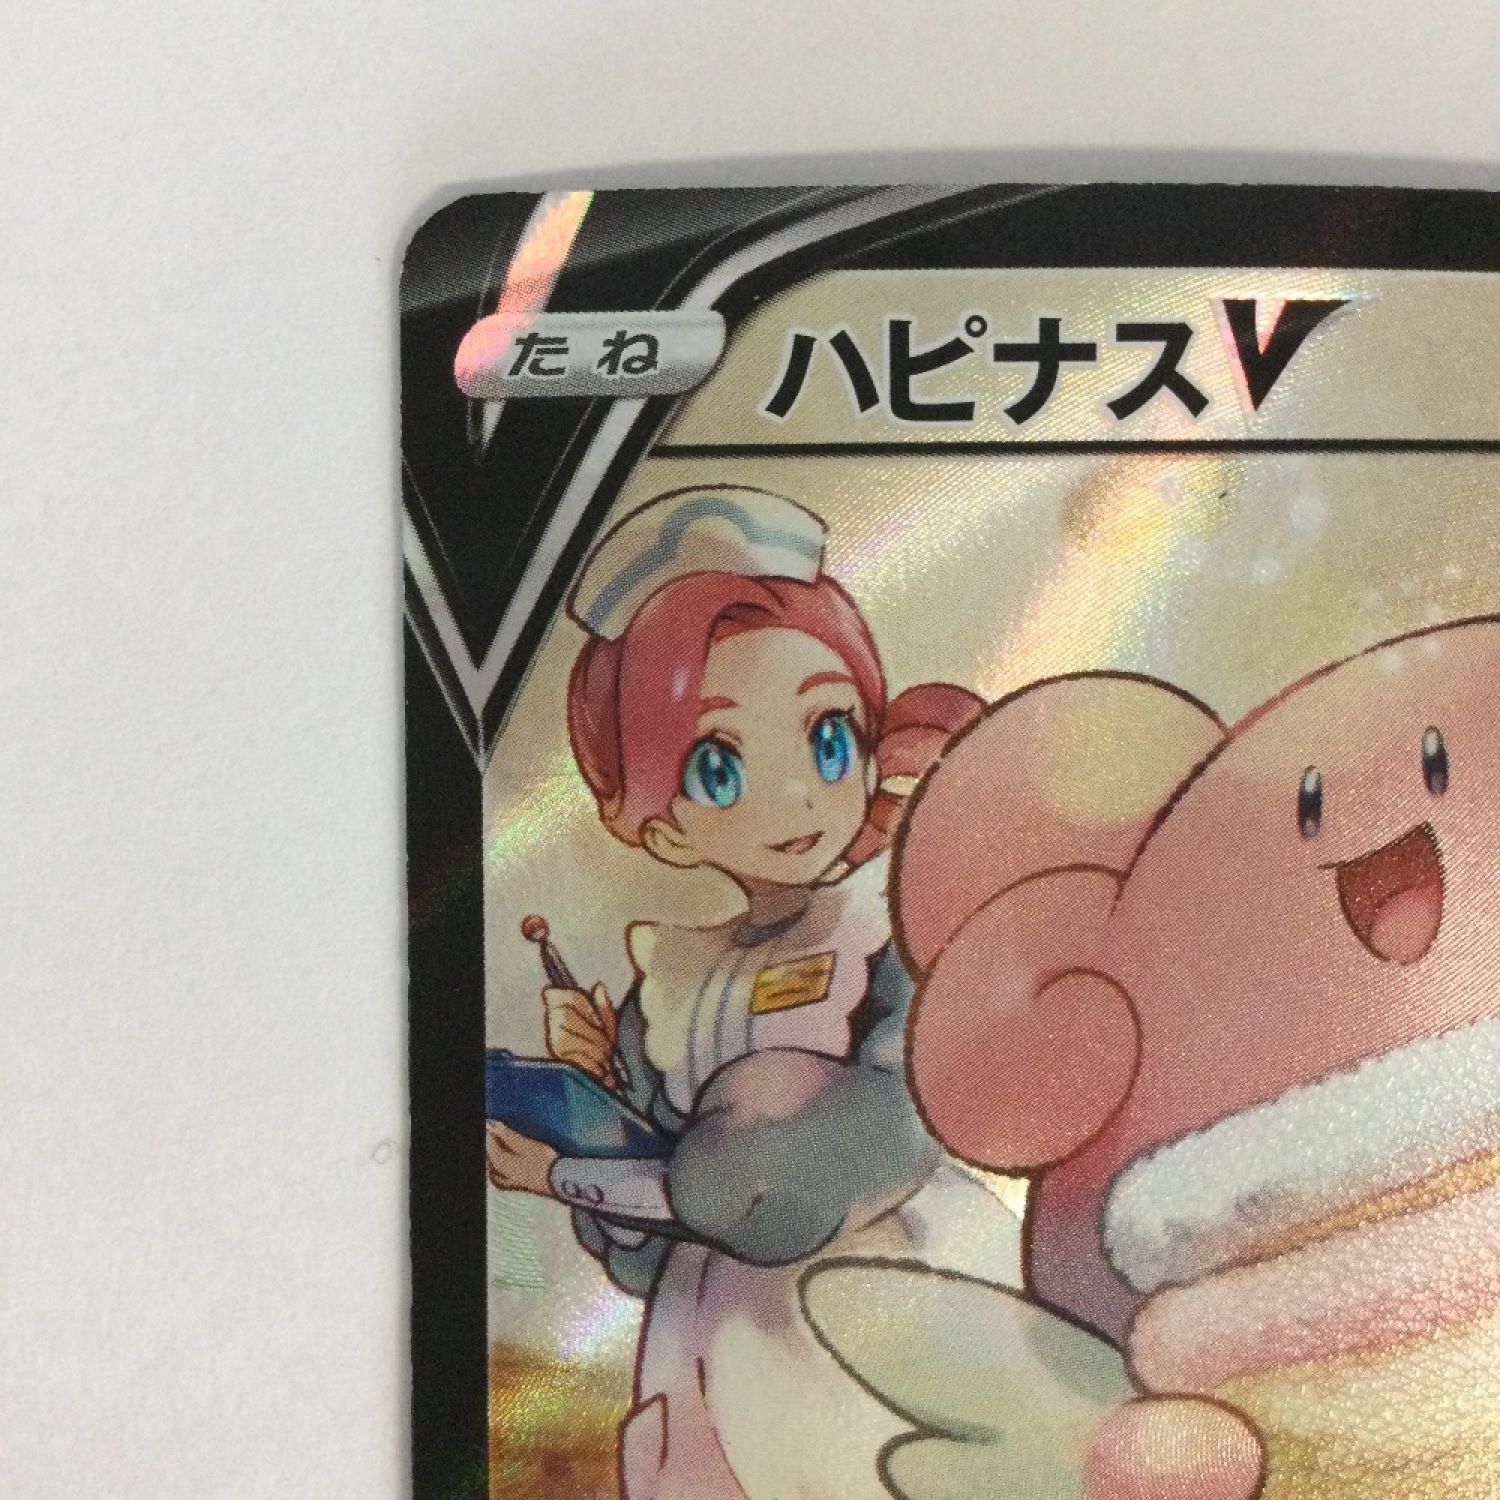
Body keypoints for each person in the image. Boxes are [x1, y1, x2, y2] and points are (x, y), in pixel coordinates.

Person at [486, 486, 1022, 1500]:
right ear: (658, 823)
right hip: (720, 1339)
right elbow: (641, 1255)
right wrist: (597, 1099)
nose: (793, 796)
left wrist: (572, 1177)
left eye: (827, 740)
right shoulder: (672, 987)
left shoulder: (890, 933)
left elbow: (854, 1145)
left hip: (895, 1306)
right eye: (721, 768)